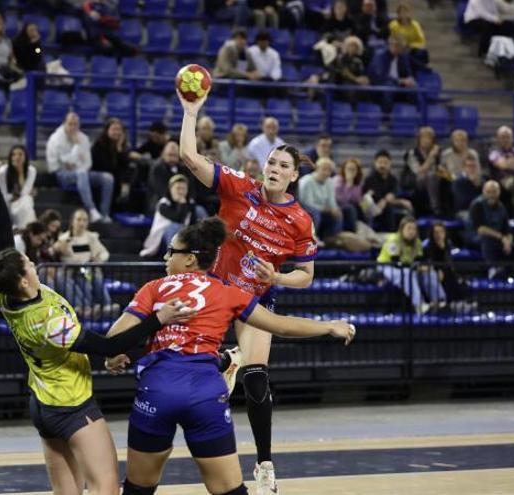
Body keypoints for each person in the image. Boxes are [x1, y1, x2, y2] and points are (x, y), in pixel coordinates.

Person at [0, 154, 195, 495]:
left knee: (67, 492)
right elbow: (109, 347)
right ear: (23, 281)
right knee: (107, 488)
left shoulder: (7, 294)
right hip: (70, 405)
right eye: (28, 264)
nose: (32, 261)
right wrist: (160, 318)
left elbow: (4, 239)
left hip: (42, 402)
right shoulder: (48, 321)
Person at [105, 217, 354, 495]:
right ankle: (227, 362)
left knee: (138, 489)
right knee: (229, 491)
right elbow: (280, 324)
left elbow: (114, 338)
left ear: (189, 259)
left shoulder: (155, 288)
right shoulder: (228, 292)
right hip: (204, 394)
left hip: (157, 391)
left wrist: (115, 355)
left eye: (171, 251)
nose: (165, 256)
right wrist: (329, 326)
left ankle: (228, 361)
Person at [178, 91, 320, 494]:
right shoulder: (239, 187)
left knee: (257, 378)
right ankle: (227, 360)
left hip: (257, 299)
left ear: (294, 176)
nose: (274, 168)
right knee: (192, 366)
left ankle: (264, 465)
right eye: (271, 162)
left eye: (283, 166)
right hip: (216, 291)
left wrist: (276, 277)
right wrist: (191, 112)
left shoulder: (299, 221)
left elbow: (305, 276)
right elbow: (190, 157)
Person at [46, 112, 114, 223]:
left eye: (76, 124)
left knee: (107, 178)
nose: (73, 127)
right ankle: (91, 210)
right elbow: (66, 161)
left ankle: (104, 214)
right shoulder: (55, 139)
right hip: (60, 173)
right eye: (70, 124)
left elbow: (88, 162)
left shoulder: (84, 138)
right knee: (81, 173)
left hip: (80, 172)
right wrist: (76, 146)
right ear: (64, 123)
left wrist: (77, 165)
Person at [376, 216, 446, 314]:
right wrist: (417, 267)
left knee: (429, 273)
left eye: (414, 229)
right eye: (409, 228)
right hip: (387, 267)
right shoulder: (394, 240)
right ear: (402, 229)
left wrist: (426, 268)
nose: (411, 231)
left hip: (409, 268)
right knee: (407, 273)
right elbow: (396, 263)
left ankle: (440, 302)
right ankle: (419, 305)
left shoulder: (417, 242)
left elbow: (420, 260)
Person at [57, 208, 116, 317]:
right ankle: (87, 308)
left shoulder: (91, 237)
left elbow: (104, 253)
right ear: (72, 221)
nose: (82, 223)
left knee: (93, 277)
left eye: (85, 220)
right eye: (79, 219)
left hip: (88, 269)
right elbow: (66, 257)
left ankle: (106, 305)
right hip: (71, 272)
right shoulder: (64, 239)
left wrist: (99, 259)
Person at [141, 174, 205, 258]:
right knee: (175, 226)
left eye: (183, 189)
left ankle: (204, 252)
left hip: (184, 240)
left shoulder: (190, 203)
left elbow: (192, 225)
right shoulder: (163, 204)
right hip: (161, 242)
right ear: (170, 189)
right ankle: (175, 258)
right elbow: (178, 219)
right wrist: (182, 204)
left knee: (199, 210)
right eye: (178, 188)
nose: (181, 192)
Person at [469, 180, 514, 277]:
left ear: (499, 192)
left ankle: (505, 272)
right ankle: (491, 269)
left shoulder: (502, 207)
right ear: (483, 192)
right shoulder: (477, 205)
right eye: (488, 192)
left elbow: (507, 230)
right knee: (487, 240)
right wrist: (502, 238)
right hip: (475, 238)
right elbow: (481, 229)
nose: (491, 195)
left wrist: (508, 241)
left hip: (496, 238)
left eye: (494, 192)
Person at [423, 222, 473, 308]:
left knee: (456, 277)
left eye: (441, 232)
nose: (439, 235)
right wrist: (436, 270)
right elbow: (428, 262)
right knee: (448, 275)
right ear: (432, 234)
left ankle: (460, 302)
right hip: (432, 273)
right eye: (436, 232)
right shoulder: (427, 246)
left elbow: (448, 262)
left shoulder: (448, 244)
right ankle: (453, 302)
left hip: (446, 271)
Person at [363, 150, 413, 232]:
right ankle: (390, 234)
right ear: (375, 163)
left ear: (390, 164)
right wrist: (388, 200)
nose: (382, 165)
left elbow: (393, 195)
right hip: (373, 207)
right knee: (388, 208)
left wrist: (399, 201)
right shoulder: (370, 179)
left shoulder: (393, 179)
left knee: (407, 205)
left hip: (388, 204)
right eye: (380, 162)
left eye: (385, 162)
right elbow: (375, 198)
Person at [92, 118, 139, 204]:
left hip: (120, 179)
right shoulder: (99, 145)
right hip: (102, 176)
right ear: (107, 131)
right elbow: (108, 167)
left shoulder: (121, 146)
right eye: (114, 129)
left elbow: (125, 165)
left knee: (133, 168)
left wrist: (119, 149)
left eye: (119, 130)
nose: (117, 132)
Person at [404, 127, 446, 216]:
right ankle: (435, 209)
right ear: (419, 139)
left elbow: (440, 168)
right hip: (416, 182)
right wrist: (431, 157)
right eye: (424, 138)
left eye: (429, 138)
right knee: (431, 176)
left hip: (435, 181)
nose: (426, 140)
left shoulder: (438, 153)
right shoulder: (412, 153)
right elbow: (419, 171)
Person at [298, 157, 343, 239]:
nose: (326, 173)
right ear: (317, 168)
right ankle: (311, 238)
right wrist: (328, 210)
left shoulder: (329, 181)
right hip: (305, 209)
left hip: (322, 209)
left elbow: (332, 201)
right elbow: (308, 204)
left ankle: (331, 239)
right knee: (315, 213)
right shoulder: (307, 181)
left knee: (338, 212)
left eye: (329, 170)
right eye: (324, 169)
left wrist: (335, 209)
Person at [0, 145, 37, 229]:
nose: (17, 157)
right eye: (14, 154)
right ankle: (29, 229)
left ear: (25, 157)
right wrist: (13, 197)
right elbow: (3, 195)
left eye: (20, 154)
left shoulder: (31, 171)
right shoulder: (3, 171)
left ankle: (24, 229)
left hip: (23, 204)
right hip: (6, 205)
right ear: (10, 157)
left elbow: (24, 192)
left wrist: (21, 174)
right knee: (27, 201)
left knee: (26, 200)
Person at [388, 3, 428, 68]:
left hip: (412, 48)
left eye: (405, 12)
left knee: (421, 53)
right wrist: (400, 46)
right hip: (398, 48)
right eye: (401, 12)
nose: (403, 14)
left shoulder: (415, 25)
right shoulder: (393, 25)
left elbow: (422, 41)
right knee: (404, 55)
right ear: (398, 14)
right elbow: (391, 38)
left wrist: (411, 46)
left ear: (408, 13)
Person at [453, 155, 487, 220]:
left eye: (474, 166)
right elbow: (463, 202)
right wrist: (473, 184)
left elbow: (489, 199)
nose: (472, 169)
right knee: (473, 217)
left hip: (482, 210)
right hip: (464, 211)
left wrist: (478, 184)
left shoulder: (484, 181)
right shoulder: (458, 182)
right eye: (469, 166)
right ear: (464, 168)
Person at [334, 158, 363, 232]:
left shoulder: (357, 184)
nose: (351, 171)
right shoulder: (338, 180)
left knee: (365, 210)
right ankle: (353, 231)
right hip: (336, 205)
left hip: (349, 206)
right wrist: (348, 185)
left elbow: (357, 200)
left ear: (357, 171)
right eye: (349, 169)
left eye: (353, 169)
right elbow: (340, 200)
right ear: (344, 169)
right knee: (351, 208)